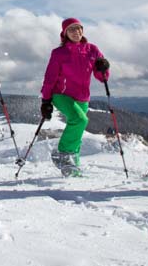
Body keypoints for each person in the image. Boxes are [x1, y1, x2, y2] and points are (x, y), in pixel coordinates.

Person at [39, 18, 110, 177]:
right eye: (71, 30)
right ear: (64, 34)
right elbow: (50, 77)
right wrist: (46, 100)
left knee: (77, 132)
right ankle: (62, 153)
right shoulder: (59, 53)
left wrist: (103, 68)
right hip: (61, 95)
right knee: (80, 120)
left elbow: (101, 77)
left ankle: (73, 170)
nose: (76, 32)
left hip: (82, 97)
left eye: (78, 28)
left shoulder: (92, 49)